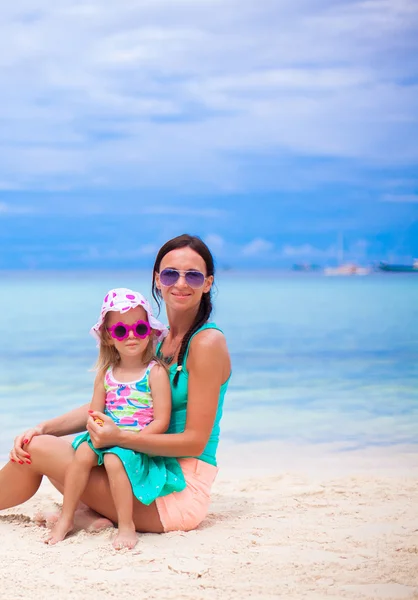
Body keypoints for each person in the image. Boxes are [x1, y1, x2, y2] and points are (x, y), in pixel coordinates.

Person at [0, 234, 231, 538]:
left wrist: (119, 438)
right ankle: (89, 518)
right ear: (157, 279)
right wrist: (45, 427)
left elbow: (194, 443)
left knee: (39, 451)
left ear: (208, 282)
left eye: (194, 275)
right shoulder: (156, 340)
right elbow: (111, 404)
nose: (181, 283)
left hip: (174, 490)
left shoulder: (206, 343)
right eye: (171, 273)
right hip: (142, 466)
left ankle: (85, 514)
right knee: (44, 443)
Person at [45, 288, 186, 549]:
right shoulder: (106, 374)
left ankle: (127, 524)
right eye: (121, 331)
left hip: (137, 440)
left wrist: (132, 440)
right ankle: (67, 517)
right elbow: (96, 414)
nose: (131, 336)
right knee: (83, 454)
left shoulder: (154, 373)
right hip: (107, 435)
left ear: (150, 332)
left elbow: (161, 421)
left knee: (113, 458)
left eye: (139, 329)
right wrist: (98, 432)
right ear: (109, 338)